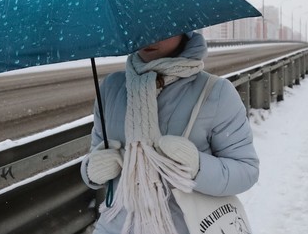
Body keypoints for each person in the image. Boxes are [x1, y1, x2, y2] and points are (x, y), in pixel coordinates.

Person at [80, 31, 259, 234]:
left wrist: (197, 167)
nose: (148, 35)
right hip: (115, 227)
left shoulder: (216, 92)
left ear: (184, 27)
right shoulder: (112, 88)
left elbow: (246, 171)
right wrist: (91, 170)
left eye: (159, 28)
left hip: (186, 226)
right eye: (140, 23)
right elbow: (94, 154)